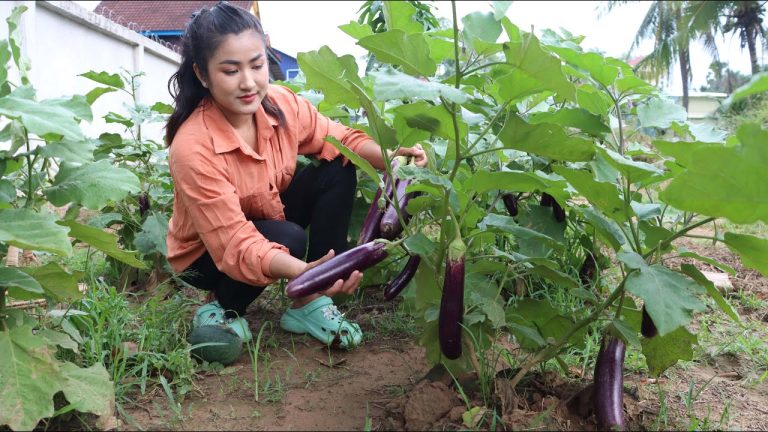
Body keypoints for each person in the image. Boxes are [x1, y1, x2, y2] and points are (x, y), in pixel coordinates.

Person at [164, 1, 428, 350]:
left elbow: (339, 139)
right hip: (205, 254)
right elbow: (234, 242)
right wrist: (307, 273)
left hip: (264, 219)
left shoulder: (280, 105)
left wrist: (394, 158)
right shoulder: (193, 146)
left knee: (339, 165)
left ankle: (310, 302)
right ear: (202, 74)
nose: (248, 82)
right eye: (230, 71)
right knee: (288, 237)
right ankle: (223, 306)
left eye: (257, 65)